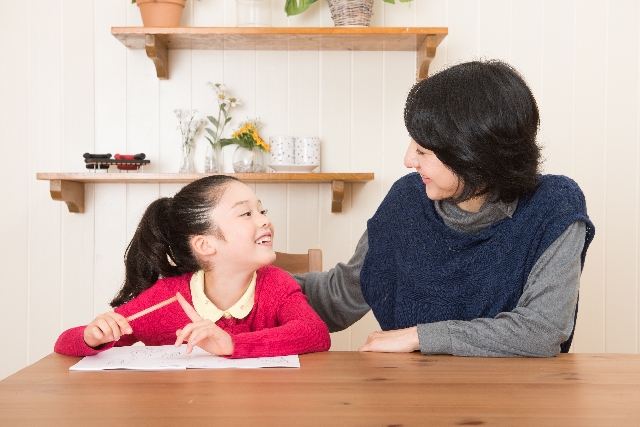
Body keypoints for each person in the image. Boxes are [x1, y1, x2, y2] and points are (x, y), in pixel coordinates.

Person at [295, 60, 595, 357]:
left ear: (473, 156)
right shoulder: (407, 199)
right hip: (414, 396)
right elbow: (340, 297)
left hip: (516, 398)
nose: (408, 160)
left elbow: (542, 330)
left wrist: (420, 336)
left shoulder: (554, 205)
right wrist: (256, 281)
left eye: (423, 151)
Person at [55, 175, 330, 358]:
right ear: (205, 245)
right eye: (247, 213)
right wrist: (92, 337)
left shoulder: (277, 284)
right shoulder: (166, 298)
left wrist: (231, 344)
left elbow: (315, 333)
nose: (264, 221)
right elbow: (64, 343)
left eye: (262, 211)